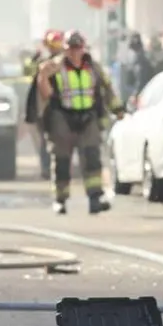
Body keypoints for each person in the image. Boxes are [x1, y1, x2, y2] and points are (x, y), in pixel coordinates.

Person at [37, 30, 123, 215]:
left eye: (78, 48)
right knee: (61, 162)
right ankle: (60, 200)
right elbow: (45, 94)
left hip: (88, 118)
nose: (75, 52)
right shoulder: (54, 67)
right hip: (62, 118)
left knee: (92, 159)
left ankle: (95, 198)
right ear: (65, 49)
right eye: (71, 48)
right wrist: (42, 76)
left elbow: (107, 88)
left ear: (83, 48)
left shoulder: (93, 67)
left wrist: (117, 109)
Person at [25, 30, 64, 180]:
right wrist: (35, 57)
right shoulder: (42, 62)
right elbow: (28, 71)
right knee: (46, 139)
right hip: (45, 107)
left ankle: (60, 167)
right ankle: (47, 168)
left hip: (64, 106)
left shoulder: (66, 61)